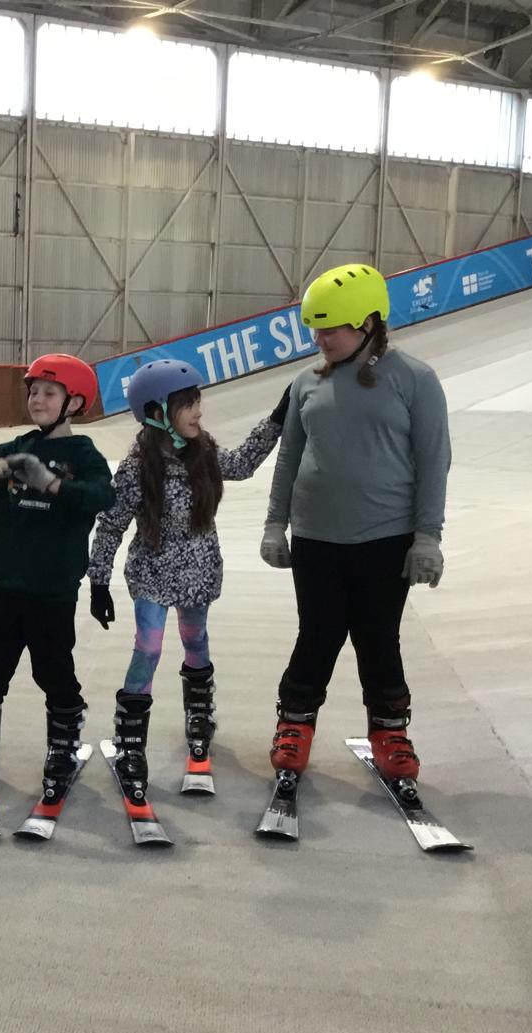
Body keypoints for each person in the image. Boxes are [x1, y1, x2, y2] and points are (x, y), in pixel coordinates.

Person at [260, 263, 451, 779]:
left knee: (378, 636)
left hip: (385, 539)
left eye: (330, 329)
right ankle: (295, 723)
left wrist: (428, 537)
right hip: (315, 538)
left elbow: (434, 460)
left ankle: (389, 730)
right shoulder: (306, 382)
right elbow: (289, 456)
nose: (319, 340)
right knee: (317, 634)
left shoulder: (415, 380)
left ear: (367, 323)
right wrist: (275, 524)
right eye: (315, 330)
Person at [86, 359, 287, 786]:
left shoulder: (204, 452)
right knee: (149, 647)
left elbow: (241, 465)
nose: (199, 411)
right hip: (152, 572)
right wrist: (98, 581)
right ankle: (130, 735)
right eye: (188, 404)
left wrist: (275, 421)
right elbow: (112, 523)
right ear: (157, 412)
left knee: (195, 641)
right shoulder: (137, 467)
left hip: (197, 569)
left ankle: (199, 713)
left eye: (198, 402)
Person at [0, 353, 114, 795]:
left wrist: (53, 484)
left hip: (54, 591)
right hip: (8, 586)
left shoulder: (83, 454)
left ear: (74, 403)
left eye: (49, 393)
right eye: (34, 391)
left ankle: (63, 745)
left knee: (54, 671)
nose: (37, 399)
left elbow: (102, 496)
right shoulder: (16, 448)